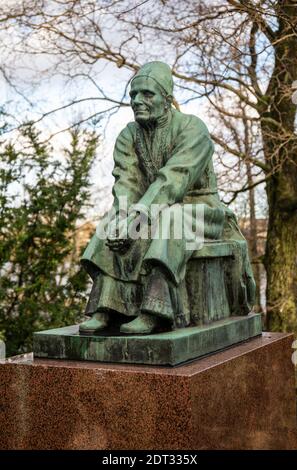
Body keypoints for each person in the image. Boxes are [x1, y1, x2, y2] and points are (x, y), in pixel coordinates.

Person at [79, 61, 253, 335]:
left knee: (171, 217)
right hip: (151, 210)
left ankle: (155, 309)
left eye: (147, 94)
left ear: (167, 99)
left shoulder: (192, 128)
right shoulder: (129, 135)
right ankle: (107, 306)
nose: (138, 101)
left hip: (202, 212)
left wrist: (137, 217)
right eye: (133, 95)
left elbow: (173, 180)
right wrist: (125, 217)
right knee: (114, 217)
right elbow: (126, 182)